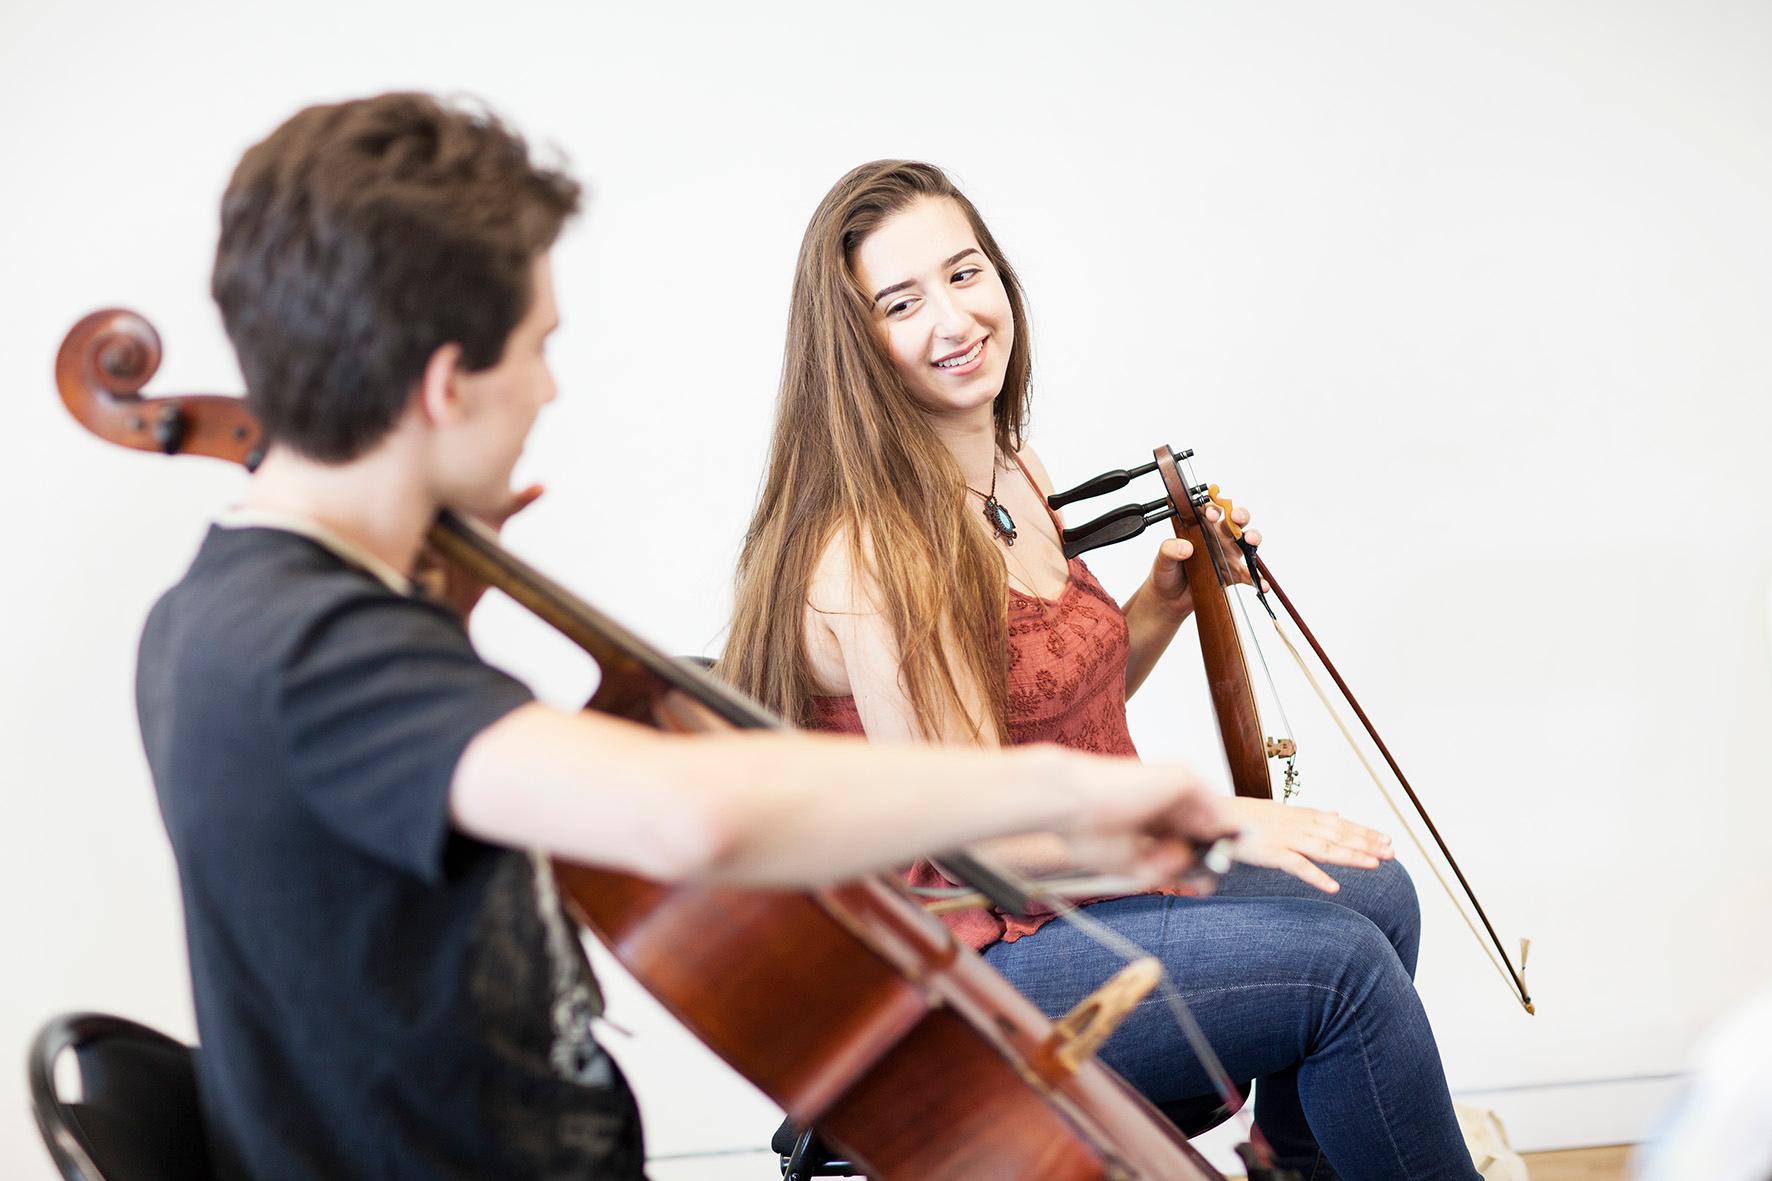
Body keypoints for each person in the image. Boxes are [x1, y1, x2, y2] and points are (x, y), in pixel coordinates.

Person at [135, 97, 1244, 1180]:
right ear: (443, 385)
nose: (549, 386)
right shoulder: (313, 652)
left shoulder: (243, 609)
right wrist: (1068, 792)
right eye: (537, 347)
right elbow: (688, 809)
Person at [721, 159, 1481, 1181]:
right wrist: (1210, 822)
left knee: (1371, 891)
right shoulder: (878, 551)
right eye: (901, 302)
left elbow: (1042, 729)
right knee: (1340, 971)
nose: (953, 320)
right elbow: (973, 835)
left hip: (1057, 893)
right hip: (955, 970)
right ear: (853, 343)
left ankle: (1298, 1165)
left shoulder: (1008, 470)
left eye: (965, 272)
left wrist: (1159, 606)